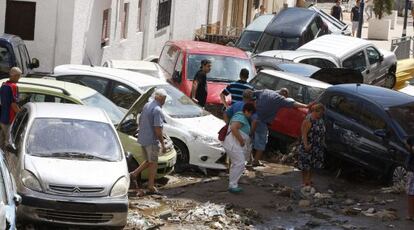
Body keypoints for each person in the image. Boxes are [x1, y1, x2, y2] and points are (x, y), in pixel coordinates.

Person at [252, 89, 309, 167]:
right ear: (284, 95)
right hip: (262, 122)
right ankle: (255, 161)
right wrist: (307, 106)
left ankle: (248, 159)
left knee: (249, 139)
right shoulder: (280, 99)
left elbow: (251, 93)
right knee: (262, 142)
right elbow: (294, 104)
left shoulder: (265, 91)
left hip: (252, 117)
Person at [130, 89, 168, 195]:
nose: (164, 101)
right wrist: (163, 144)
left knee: (149, 161)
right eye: (164, 99)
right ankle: (150, 186)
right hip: (151, 140)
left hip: (143, 138)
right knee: (153, 163)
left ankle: (134, 174)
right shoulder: (157, 110)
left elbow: (140, 120)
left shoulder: (147, 105)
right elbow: (157, 129)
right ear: (160, 98)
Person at [223, 103, 255, 193]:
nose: (251, 116)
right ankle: (232, 185)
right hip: (233, 144)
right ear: (247, 111)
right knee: (240, 163)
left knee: (236, 163)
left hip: (233, 144)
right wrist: (241, 140)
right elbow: (234, 128)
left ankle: (232, 183)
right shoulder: (241, 117)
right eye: (251, 113)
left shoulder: (240, 116)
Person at [298, 103, 326, 187]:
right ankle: (304, 181)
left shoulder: (320, 120)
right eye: (320, 113)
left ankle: (309, 180)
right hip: (309, 146)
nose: (321, 115)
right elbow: (304, 134)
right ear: (315, 111)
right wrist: (306, 145)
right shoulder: (308, 120)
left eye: (322, 113)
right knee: (305, 165)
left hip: (317, 147)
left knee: (314, 165)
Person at [0, 67, 21, 150]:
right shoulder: (13, 87)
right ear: (15, 76)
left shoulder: (3, 85)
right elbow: (13, 104)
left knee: (1, 142)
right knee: (8, 144)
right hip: (10, 118)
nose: (19, 78)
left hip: (2, 117)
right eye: (19, 76)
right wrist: (21, 114)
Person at [406, 137, 414, 221]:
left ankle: (411, 214)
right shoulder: (412, 138)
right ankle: (410, 214)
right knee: (411, 193)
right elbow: (406, 142)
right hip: (412, 170)